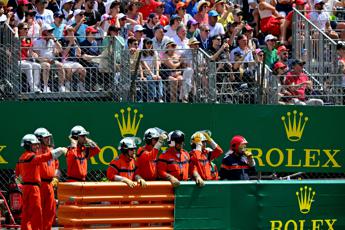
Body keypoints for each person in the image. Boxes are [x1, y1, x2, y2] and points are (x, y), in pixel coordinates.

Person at [16, 134, 66, 230]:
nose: (37, 146)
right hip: (33, 188)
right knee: (36, 213)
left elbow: (18, 174)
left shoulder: (21, 157)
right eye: (34, 145)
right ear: (28, 145)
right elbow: (44, 158)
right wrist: (59, 150)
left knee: (26, 213)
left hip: (26, 188)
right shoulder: (31, 156)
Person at [34, 127, 60, 230]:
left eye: (48, 137)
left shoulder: (51, 151)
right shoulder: (35, 152)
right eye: (45, 137)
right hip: (39, 185)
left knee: (50, 211)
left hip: (50, 185)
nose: (48, 139)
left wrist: (56, 178)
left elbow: (57, 167)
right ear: (39, 139)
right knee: (38, 211)